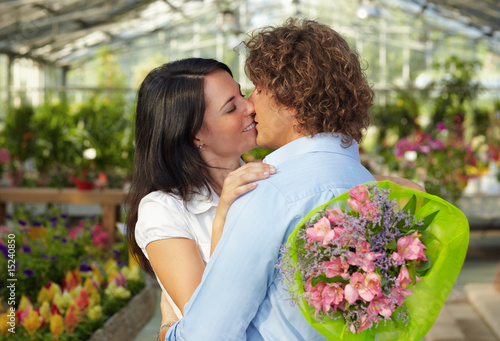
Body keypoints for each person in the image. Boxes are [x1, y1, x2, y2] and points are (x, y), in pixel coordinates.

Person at [163, 18, 391, 340]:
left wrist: (168, 331)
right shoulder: (370, 186)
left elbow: (207, 334)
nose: (251, 104)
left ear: (292, 102)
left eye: (258, 89)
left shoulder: (269, 194)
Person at [125, 58, 276, 322]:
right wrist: (222, 219)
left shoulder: (269, 177)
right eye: (231, 108)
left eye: (242, 94)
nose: (250, 106)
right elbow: (205, 324)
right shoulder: (161, 210)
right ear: (196, 135)